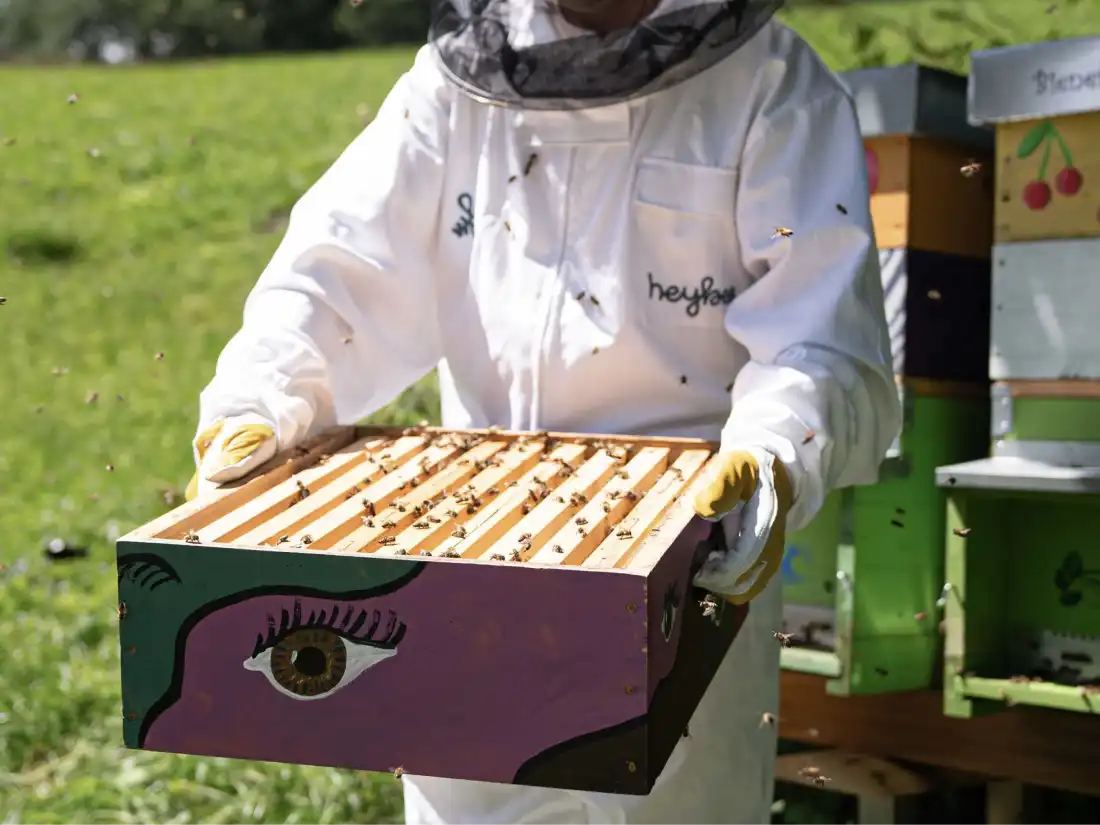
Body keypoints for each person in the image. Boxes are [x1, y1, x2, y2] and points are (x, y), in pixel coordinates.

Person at [185, 0, 901, 821]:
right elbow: (337, 270)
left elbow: (817, 335)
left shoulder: (775, 83)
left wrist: (776, 453)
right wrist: (262, 395)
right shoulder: (454, 88)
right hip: (473, 557)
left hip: (686, 558)